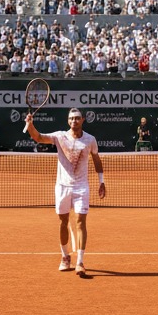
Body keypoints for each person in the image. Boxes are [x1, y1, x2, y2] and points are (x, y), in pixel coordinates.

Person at [25, 107, 105, 276]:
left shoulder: (90, 140)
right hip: (62, 186)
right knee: (63, 222)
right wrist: (30, 124)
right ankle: (64, 256)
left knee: (81, 222)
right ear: (68, 121)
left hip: (81, 186)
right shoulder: (60, 136)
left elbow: (97, 159)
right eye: (71, 118)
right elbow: (38, 137)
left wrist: (101, 181)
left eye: (77, 118)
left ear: (83, 119)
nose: (74, 121)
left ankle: (80, 262)